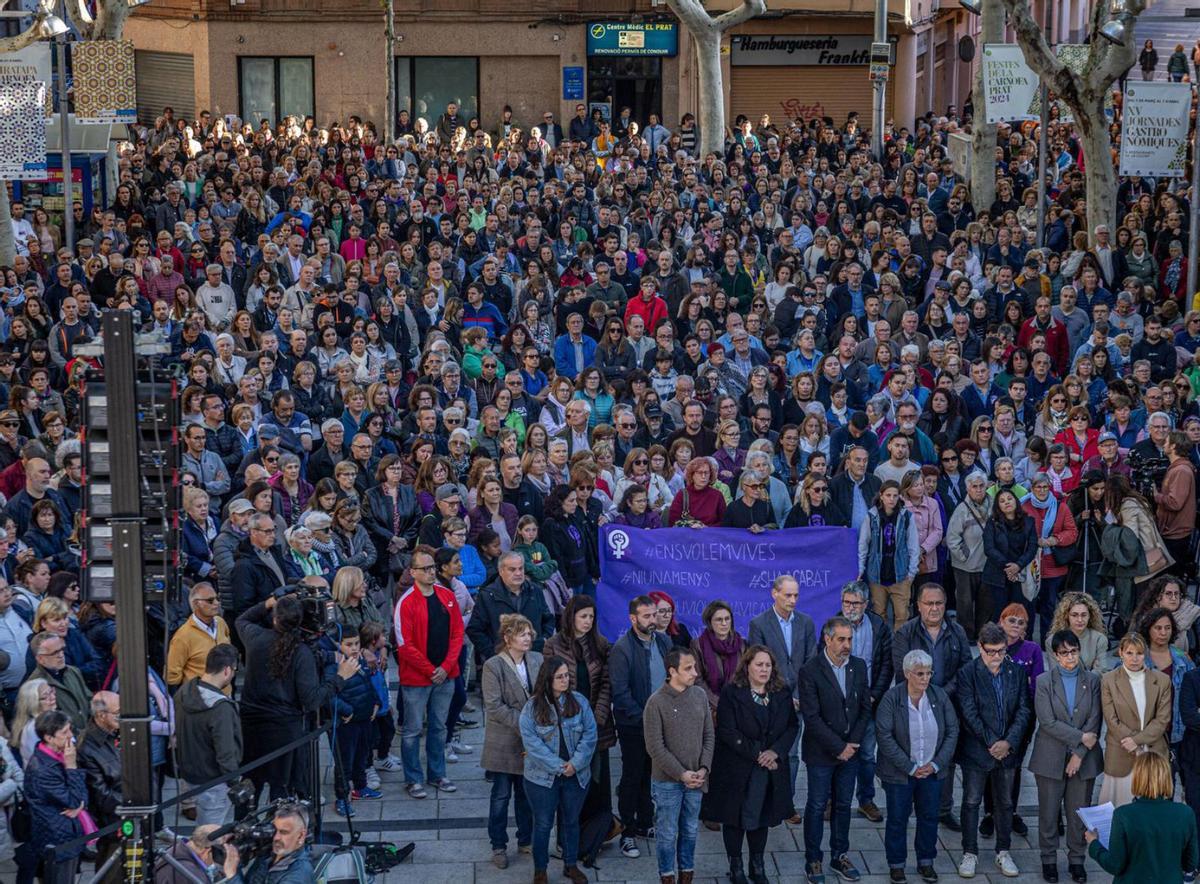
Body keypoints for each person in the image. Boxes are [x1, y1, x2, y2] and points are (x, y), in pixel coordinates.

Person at [237, 591, 357, 803]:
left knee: (250, 788)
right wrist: (340, 677)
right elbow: (312, 699)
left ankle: (242, 829)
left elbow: (242, 619)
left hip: (251, 728)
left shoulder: (256, 637)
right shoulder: (302, 652)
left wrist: (268, 601)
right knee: (281, 794)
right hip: (286, 732)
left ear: (275, 619)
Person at [701, 645, 799, 884]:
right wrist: (758, 754)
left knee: (762, 817)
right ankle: (736, 867)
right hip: (738, 767)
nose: (764, 669)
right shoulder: (732, 693)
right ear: (747, 666)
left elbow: (791, 727)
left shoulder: (781, 692)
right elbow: (727, 730)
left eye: (768, 665)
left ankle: (758, 865)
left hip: (770, 769)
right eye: (759, 665)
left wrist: (775, 752)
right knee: (735, 818)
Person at [890, 582, 973, 831]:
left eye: (939, 603)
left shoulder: (957, 631)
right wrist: (927, 693)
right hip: (914, 705)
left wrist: (941, 695)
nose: (934, 608)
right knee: (914, 752)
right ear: (919, 606)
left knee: (945, 758)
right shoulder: (905, 633)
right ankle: (916, 806)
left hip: (948, 706)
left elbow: (965, 669)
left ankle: (944, 809)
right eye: (929, 603)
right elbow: (901, 670)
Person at [875, 649, 959, 884]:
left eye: (928, 673)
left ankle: (926, 861)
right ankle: (897, 864)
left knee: (929, 817)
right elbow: (884, 736)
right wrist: (910, 767)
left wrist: (935, 764)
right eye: (919, 673)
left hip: (932, 772)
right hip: (900, 774)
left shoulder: (938, 696)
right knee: (897, 819)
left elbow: (952, 731)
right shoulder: (892, 699)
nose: (925, 678)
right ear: (907, 673)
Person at [955, 622, 1031, 879]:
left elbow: (1024, 709)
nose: (997, 656)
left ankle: (1003, 850)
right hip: (977, 751)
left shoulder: (1016, 672)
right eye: (991, 651)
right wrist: (992, 742)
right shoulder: (968, 673)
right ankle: (970, 852)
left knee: (1006, 802)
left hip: (1007, 752)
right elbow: (968, 712)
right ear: (980, 647)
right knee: (971, 801)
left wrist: (1008, 742)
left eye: (1001, 651)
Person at [799, 616, 871, 884]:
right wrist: (838, 747)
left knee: (843, 804)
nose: (846, 645)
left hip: (849, 752)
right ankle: (813, 859)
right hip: (821, 753)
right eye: (841, 639)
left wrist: (852, 744)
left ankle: (839, 854)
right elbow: (812, 717)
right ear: (827, 639)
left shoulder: (859, 667)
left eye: (850, 639)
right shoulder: (810, 670)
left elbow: (865, 709)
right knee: (817, 805)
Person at [1029, 630, 1103, 884]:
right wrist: (1079, 738)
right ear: (1055, 655)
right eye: (1064, 652)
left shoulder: (1092, 680)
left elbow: (1094, 721)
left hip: (1084, 760)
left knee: (1078, 814)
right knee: (1048, 814)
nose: (1070, 657)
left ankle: (1077, 860)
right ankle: (1048, 859)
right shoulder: (1043, 681)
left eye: (1074, 651)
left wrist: (1079, 753)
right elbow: (1047, 722)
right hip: (1050, 756)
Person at [394, 544, 465, 799]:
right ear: (412, 572)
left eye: (432, 568)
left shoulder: (446, 596)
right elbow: (405, 645)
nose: (431, 572)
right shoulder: (406, 602)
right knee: (412, 730)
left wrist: (445, 667)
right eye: (425, 569)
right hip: (417, 678)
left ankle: (437, 774)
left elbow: (458, 633)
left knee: (439, 727)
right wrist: (431, 670)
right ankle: (413, 778)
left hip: (445, 674)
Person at [518, 655, 597, 884]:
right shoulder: (531, 707)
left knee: (571, 821)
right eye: (559, 677)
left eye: (567, 676)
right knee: (543, 823)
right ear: (548, 679)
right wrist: (561, 767)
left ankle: (570, 865)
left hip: (575, 774)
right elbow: (532, 745)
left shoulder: (579, 702)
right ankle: (540, 870)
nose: (565, 680)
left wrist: (576, 764)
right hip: (541, 778)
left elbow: (590, 736)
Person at [747, 575, 817, 824]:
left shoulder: (806, 623)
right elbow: (759, 664)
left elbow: (810, 661)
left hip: (799, 699)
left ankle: (786, 804)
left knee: (792, 755)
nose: (793, 600)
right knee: (769, 751)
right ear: (774, 593)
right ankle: (766, 800)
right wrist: (783, 698)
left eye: (796, 595)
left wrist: (798, 696)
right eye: (788, 595)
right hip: (772, 701)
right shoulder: (759, 624)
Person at [643, 647, 714, 884]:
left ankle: (687, 874)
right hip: (667, 783)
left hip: (697, 779)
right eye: (688, 668)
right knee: (667, 833)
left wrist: (703, 769)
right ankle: (667, 876)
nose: (695, 672)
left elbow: (708, 735)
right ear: (672, 671)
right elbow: (655, 747)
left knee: (691, 830)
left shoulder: (700, 695)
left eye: (694, 666)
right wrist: (682, 773)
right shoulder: (656, 703)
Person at [610, 594, 672, 858]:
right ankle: (626, 831)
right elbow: (620, 694)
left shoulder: (665, 642)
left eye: (654, 615)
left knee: (653, 776)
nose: (652, 620)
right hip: (634, 726)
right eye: (646, 616)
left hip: (662, 725)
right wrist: (645, 720)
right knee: (632, 777)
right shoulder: (622, 649)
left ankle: (646, 823)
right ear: (633, 618)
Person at [481, 613, 543, 869]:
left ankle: (525, 839)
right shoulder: (493, 666)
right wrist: (527, 723)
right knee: (500, 796)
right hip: (504, 740)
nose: (527, 638)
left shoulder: (538, 659)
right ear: (508, 638)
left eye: (529, 633)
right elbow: (494, 707)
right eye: (522, 634)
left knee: (525, 795)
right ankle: (498, 845)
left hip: (530, 742)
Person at [1086, 752, 1199, 883]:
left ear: (1137, 777)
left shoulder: (1124, 814)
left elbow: (1115, 865)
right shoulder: (1185, 813)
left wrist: (1094, 844)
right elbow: (1190, 864)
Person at [839, 580, 894, 824]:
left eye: (855, 603)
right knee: (836, 753)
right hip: (839, 703)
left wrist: (875, 694)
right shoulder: (833, 625)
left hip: (869, 701)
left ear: (866, 604)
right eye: (846, 603)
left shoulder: (879, 625)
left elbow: (885, 665)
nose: (850, 607)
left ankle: (865, 800)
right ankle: (835, 800)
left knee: (867, 755)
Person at [1099, 632, 1172, 807]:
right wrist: (1131, 741)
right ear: (1121, 653)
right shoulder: (1108, 680)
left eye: (1139, 653)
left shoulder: (1162, 680)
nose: (1134, 658)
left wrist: (1137, 740)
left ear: (1144, 655)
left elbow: (1162, 719)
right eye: (1129, 653)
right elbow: (1111, 719)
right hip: (1121, 751)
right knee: (1120, 808)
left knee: (1152, 811)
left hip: (1152, 751)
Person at [15, 710, 88, 884]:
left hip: (68, 833)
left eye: (70, 729)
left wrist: (80, 805)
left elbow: (83, 792)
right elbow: (74, 799)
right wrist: (71, 767)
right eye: (64, 732)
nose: (71, 735)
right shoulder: (42, 769)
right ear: (49, 738)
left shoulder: (60, 755)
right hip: (56, 838)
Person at [175, 643, 241, 825]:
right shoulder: (220, 708)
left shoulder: (184, 692)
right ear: (227, 670)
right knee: (209, 837)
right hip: (215, 780)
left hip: (190, 773)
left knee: (202, 831)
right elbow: (225, 750)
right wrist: (234, 781)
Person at [857, 479, 921, 628]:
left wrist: (912, 572)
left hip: (900, 574)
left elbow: (913, 546)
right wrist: (861, 568)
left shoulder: (906, 517)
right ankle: (883, 646)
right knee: (879, 614)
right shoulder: (871, 516)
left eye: (895, 495)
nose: (891, 499)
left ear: (900, 496)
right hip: (877, 573)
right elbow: (863, 544)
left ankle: (899, 646)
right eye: (888, 495)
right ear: (881, 496)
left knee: (902, 615)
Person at [466, 551, 555, 657]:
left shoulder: (535, 590)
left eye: (521, 568)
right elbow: (475, 629)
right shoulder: (487, 596)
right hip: (503, 661)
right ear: (501, 571)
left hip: (534, 657)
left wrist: (543, 641)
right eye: (512, 569)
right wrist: (493, 653)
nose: (518, 573)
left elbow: (548, 619)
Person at [77, 690, 122, 876]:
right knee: (110, 870)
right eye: (118, 713)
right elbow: (101, 795)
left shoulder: (118, 732)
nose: (123, 716)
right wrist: (131, 804)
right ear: (101, 715)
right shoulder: (87, 748)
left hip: (128, 811)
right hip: (111, 821)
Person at [945, 471, 993, 640]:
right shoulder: (961, 510)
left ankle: (982, 635)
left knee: (985, 603)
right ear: (968, 488)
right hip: (965, 566)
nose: (978, 489)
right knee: (964, 604)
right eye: (974, 486)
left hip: (987, 565)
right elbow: (952, 538)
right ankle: (965, 637)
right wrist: (964, 556)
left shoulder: (994, 505)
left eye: (981, 486)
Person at [224, 801, 315, 884]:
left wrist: (232, 875)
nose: (276, 837)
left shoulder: (299, 875)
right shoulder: (269, 853)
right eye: (274, 830)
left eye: (284, 832)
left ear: (301, 835)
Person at [165, 581, 231, 690]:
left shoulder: (221, 623)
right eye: (210, 600)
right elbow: (171, 677)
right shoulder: (183, 636)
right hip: (200, 700)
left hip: (225, 696)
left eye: (217, 598)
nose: (217, 603)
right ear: (196, 604)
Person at [692, 599, 746, 711]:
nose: (724, 623)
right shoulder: (698, 645)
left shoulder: (742, 644)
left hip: (738, 705)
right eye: (719, 620)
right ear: (709, 622)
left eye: (727, 619)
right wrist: (719, 703)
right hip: (709, 707)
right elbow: (697, 679)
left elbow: (745, 676)